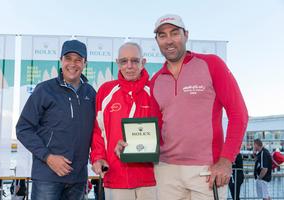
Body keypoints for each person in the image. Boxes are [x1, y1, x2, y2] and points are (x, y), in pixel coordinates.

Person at [150, 14, 249, 200]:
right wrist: (132, 147)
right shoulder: (155, 81)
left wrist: (226, 161)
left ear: (186, 35)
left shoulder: (211, 64)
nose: (169, 40)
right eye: (162, 35)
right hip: (166, 171)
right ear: (157, 41)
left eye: (174, 33)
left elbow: (239, 114)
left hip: (206, 171)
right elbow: (154, 128)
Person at [16, 39, 96, 200]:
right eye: (68, 59)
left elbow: (98, 131)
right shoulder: (44, 90)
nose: (72, 64)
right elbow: (23, 129)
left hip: (78, 179)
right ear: (61, 61)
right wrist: (48, 157)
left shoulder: (91, 93)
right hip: (47, 177)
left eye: (78, 60)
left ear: (85, 63)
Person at [90, 42, 157, 200]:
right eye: (124, 61)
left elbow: (166, 131)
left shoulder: (155, 91)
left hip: (151, 179)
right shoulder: (106, 91)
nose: (129, 66)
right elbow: (98, 131)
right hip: (115, 176)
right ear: (117, 63)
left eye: (135, 60)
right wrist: (98, 157)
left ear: (143, 62)